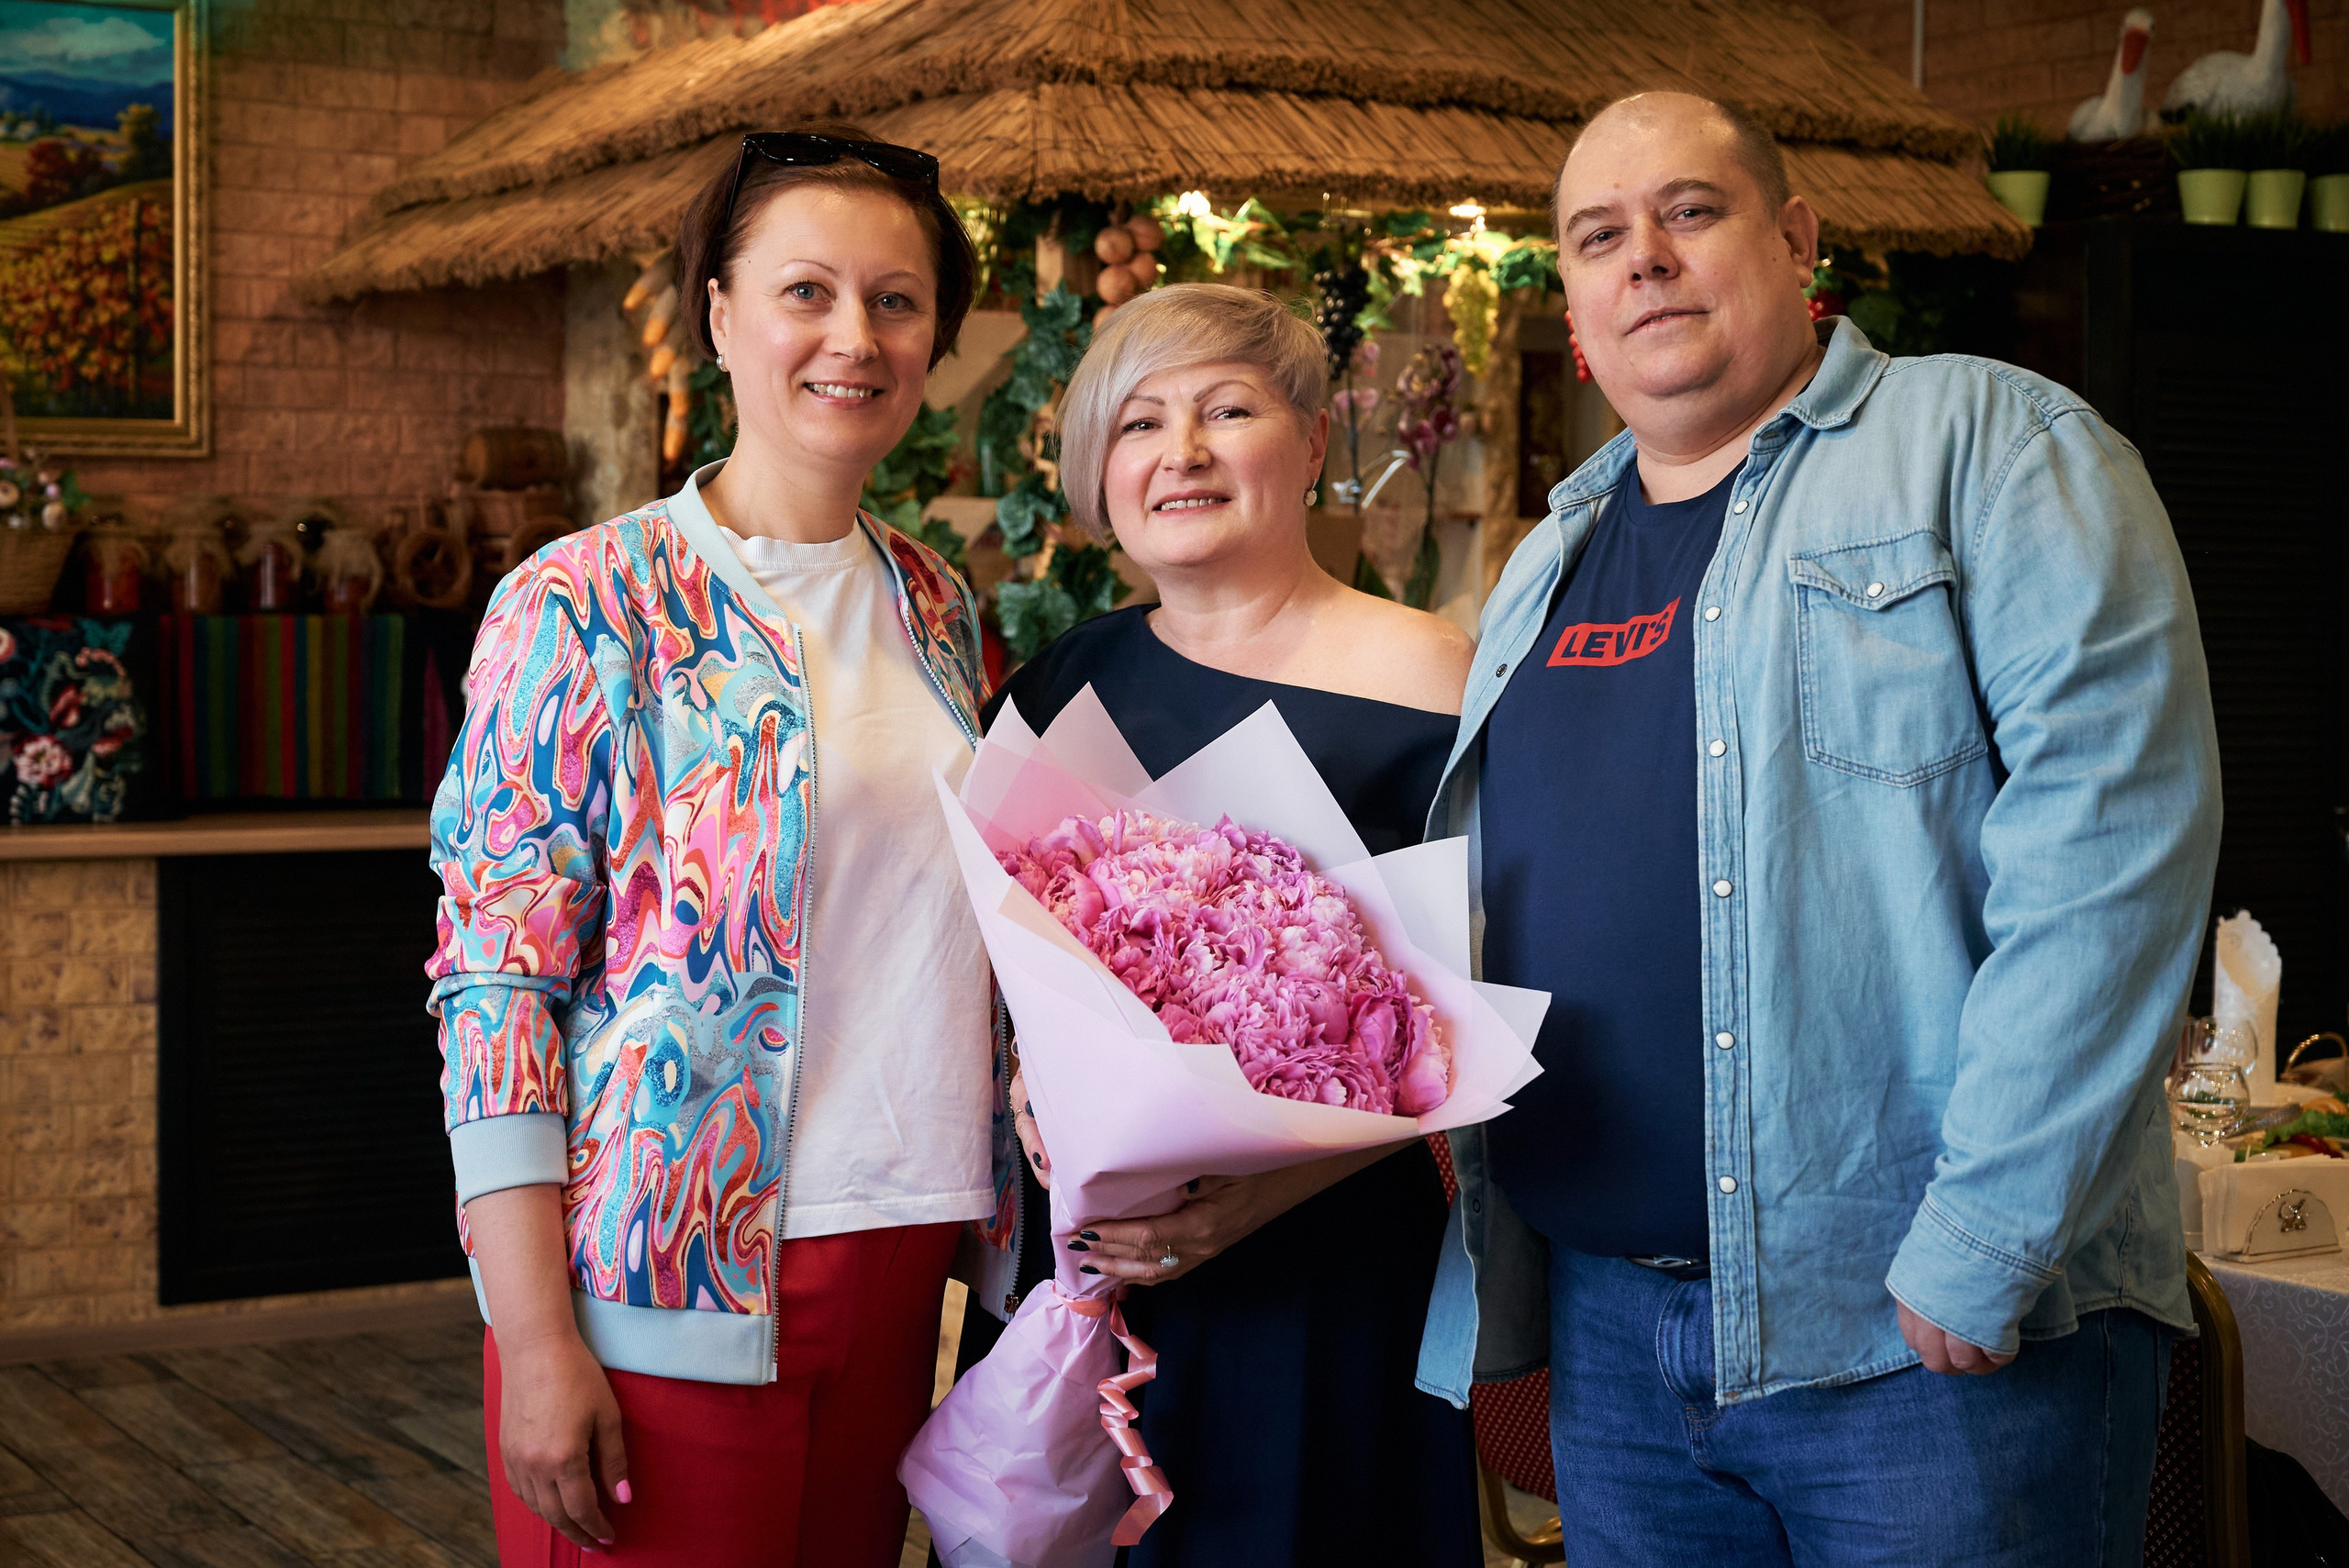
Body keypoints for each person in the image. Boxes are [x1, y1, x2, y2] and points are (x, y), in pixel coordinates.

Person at [1416, 91, 2221, 1567]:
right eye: (1600, 236)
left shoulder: (1991, 445)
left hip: (1924, 1339)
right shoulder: (1547, 559)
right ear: (1577, 312)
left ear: (1795, 241)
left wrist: (1983, 1247)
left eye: (1690, 212)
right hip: (1614, 1331)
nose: (1644, 256)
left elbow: (2112, 855)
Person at [429, 122, 1009, 1567]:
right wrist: (535, 1331)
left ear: (934, 334)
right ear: (720, 315)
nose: (852, 337)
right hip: (662, 1278)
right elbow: (496, 982)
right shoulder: (587, 600)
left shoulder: (940, 605)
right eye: (806, 291)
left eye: (895, 300)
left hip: (904, 1261)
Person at [961, 283, 1485, 1568]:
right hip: (1090, 1263)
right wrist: (1026, 1081)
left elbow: (1484, 1013)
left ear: (1310, 445)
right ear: (1099, 469)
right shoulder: (1058, 684)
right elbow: (1003, 968)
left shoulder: (1437, 676)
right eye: (1140, 423)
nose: (1180, 451)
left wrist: (1248, 1200)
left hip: (1321, 1265)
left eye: (1226, 410)